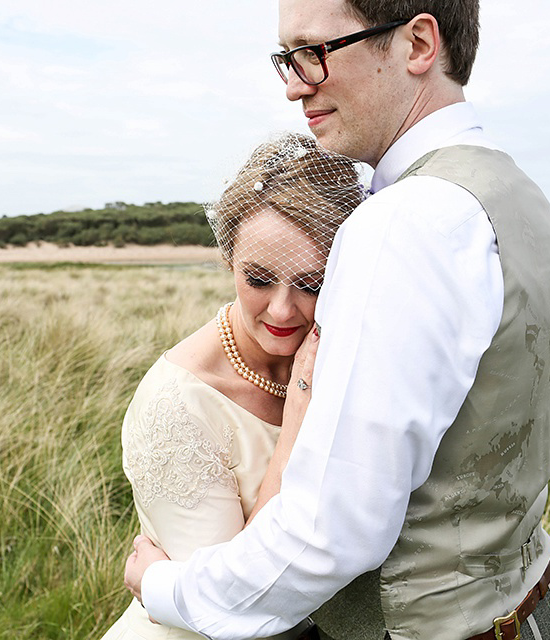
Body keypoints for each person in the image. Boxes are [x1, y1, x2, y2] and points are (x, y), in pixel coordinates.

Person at [124, 2, 550, 640]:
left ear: (418, 43)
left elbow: (332, 530)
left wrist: (166, 586)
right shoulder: (514, 193)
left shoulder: (404, 221)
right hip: (541, 611)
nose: (293, 84)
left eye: (314, 51)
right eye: (285, 59)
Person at [100, 132, 365, 640]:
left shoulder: (348, 358)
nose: (283, 310)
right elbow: (231, 608)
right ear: (228, 260)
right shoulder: (177, 404)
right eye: (259, 279)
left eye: (313, 284)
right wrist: (296, 423)